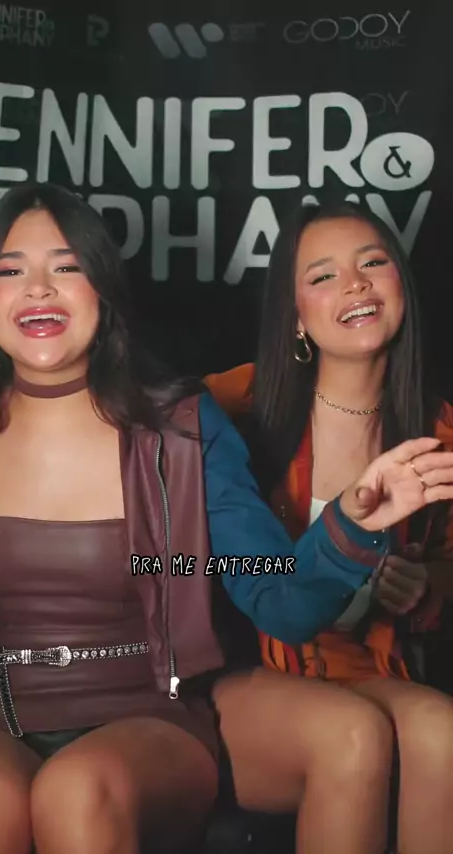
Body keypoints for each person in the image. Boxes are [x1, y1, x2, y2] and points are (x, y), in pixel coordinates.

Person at [0, 186, 451, 854]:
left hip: (146, 712)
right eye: (10, 269)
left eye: (67, 265)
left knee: (78, 789)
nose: (39, 288)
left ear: (103, 292)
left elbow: (279, 598)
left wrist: (352, 519)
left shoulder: (183, 428)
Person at [206, 201, 453, 854]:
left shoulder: (441, 432)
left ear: (402, 285)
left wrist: (427, 584)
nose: (355, 284)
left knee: (442, 730)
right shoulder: (231, 407)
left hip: (367, 669)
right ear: (294, 314)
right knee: (351, 731)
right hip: (247, 675)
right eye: (323, 275)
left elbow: (449, 567)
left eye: (373, 263)